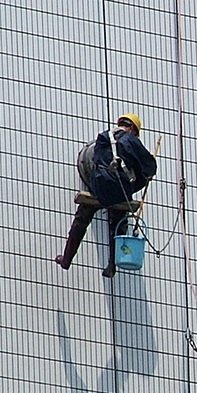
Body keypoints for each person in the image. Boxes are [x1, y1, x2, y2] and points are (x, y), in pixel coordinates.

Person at [55, 113, 157, 278]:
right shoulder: (131, 140)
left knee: (81, 219)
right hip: (118, 192)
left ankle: (66, 258)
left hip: (98, 188)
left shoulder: (103, 137)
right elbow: (150, 167)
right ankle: (112, 265)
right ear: (132, 128)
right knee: (118, 222)